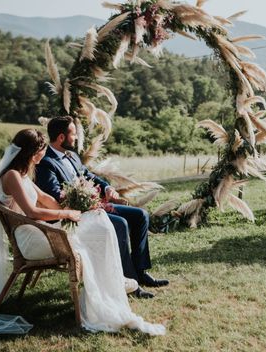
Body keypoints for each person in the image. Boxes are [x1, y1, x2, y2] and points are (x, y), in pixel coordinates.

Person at [0, 129, 165, 336]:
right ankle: (110, 285)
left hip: (41, 231)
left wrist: (75, 207)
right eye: (41, 149)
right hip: (31, 239)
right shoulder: (11, 176)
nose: (43, 154)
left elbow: (45, 199)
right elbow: (32, 211)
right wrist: (67, 215)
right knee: (95, 230)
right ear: (32, 151)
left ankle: (112, 282)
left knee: (98, 221)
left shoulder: (21, 175)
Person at [35, 116, 168, 299]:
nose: (76, 138)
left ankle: (141, 271)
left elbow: (87, 174)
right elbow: (56, 195)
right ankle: (130, 283)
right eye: (73, 134)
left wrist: (106, 187)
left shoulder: (72, 155)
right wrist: (86, 202)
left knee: (141, 216)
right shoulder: (46, 163)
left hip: (94, 206)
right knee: (120, 224)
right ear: (61, 137)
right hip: (75, 215)